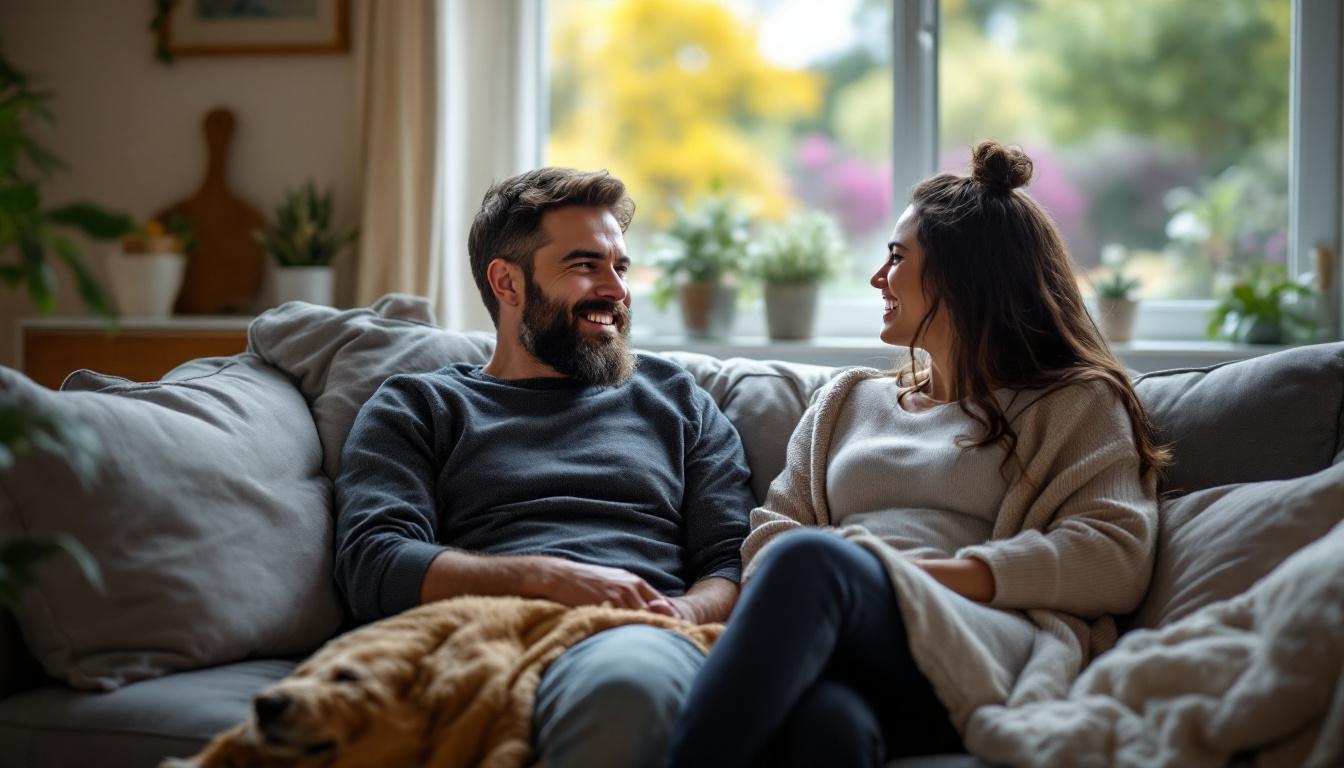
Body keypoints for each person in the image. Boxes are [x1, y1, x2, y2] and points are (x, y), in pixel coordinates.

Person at [664, 141, 1168, 767]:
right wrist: (864, 577)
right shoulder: (845, 402)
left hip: (981, 638)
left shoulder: (1074, 403)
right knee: (828, 726)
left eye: (897, 258)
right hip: (858, 636)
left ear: (962, 276)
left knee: (811, 560)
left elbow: (1114, 556)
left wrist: (913, 574)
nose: (878, 278)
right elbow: (771, 534)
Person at [333, 167, 756, 767]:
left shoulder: (677, 400)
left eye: (621, 267)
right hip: (481, 633)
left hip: (637, 639)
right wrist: (550, 580)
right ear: (507, 282)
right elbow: (372, 562)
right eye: (585, 265)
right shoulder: (420, 406)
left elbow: (731, 561)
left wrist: (681, 613)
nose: (616, 290)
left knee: (627, 687)